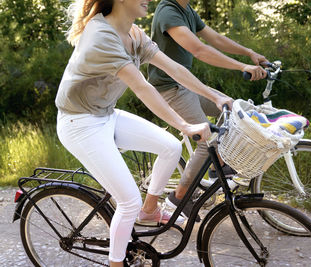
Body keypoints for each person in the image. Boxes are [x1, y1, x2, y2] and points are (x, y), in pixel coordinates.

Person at [55, 0, 232, 266]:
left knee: (171, 147)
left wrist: (215, 97)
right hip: (79, 123)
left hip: (105, 114)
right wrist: (185, 125)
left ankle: (149, 211)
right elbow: (142, 87)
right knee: (128, 202)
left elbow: (174, 69)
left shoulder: (133, 33)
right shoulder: (101, 36)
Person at [148, 0, 268, 221]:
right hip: (169, 89)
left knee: (231, 110)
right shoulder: (168, 11)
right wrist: (242, 66)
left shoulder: (188, 11)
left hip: (185, 84)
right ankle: (179, 197)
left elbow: (216, 39)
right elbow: (200, 50)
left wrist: (249, 52)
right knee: (207, 141)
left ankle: (216, 166)